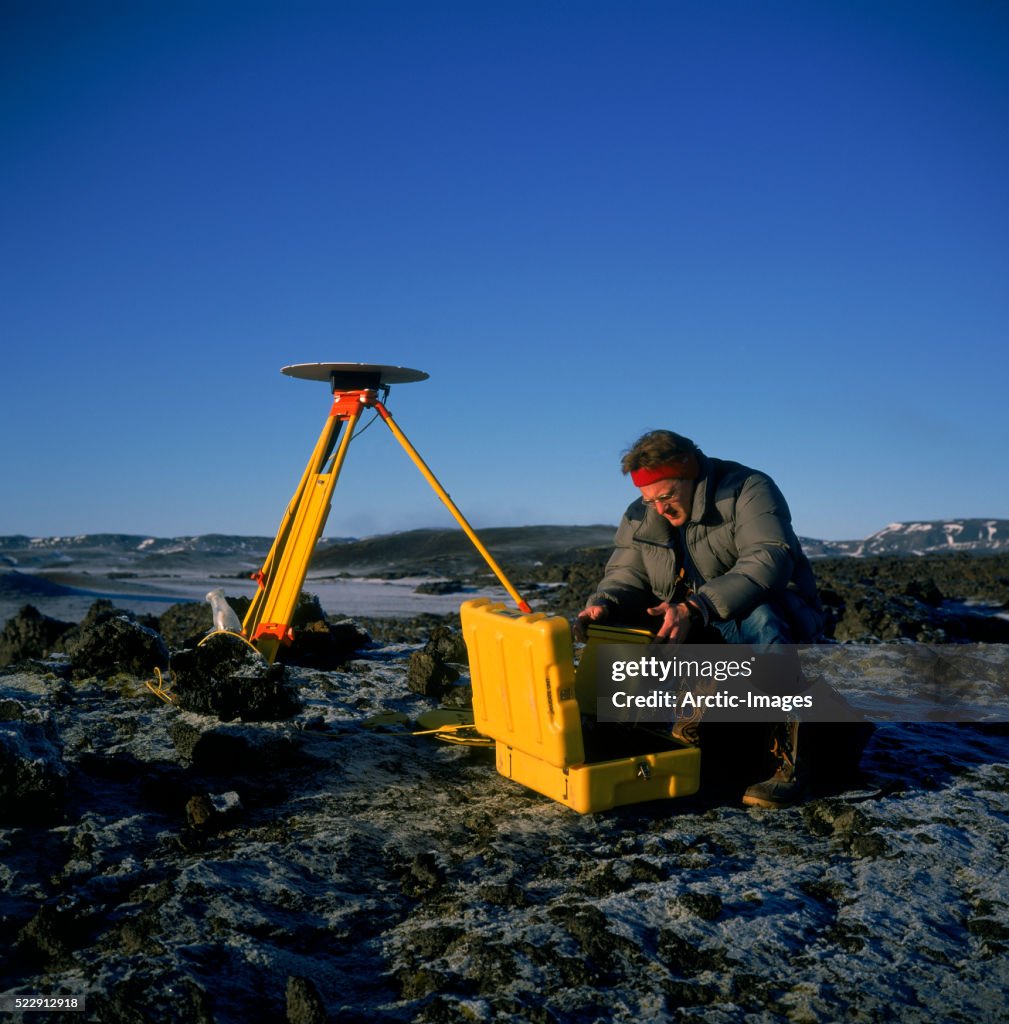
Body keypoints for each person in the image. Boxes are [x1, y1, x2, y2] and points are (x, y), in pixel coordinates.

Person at [575, 429, 826, 808]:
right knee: (619, 626)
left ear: (691, 473)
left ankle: (788, 766)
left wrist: (697, 607)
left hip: (758, 611)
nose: (659, 509)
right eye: (650, 499)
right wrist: (605, 603)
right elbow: (627, 573)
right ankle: (633, 739)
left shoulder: (749, 489)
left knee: (765, 620)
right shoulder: (641, 514)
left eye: (667, 496)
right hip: (689, 615)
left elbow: (769, 558)